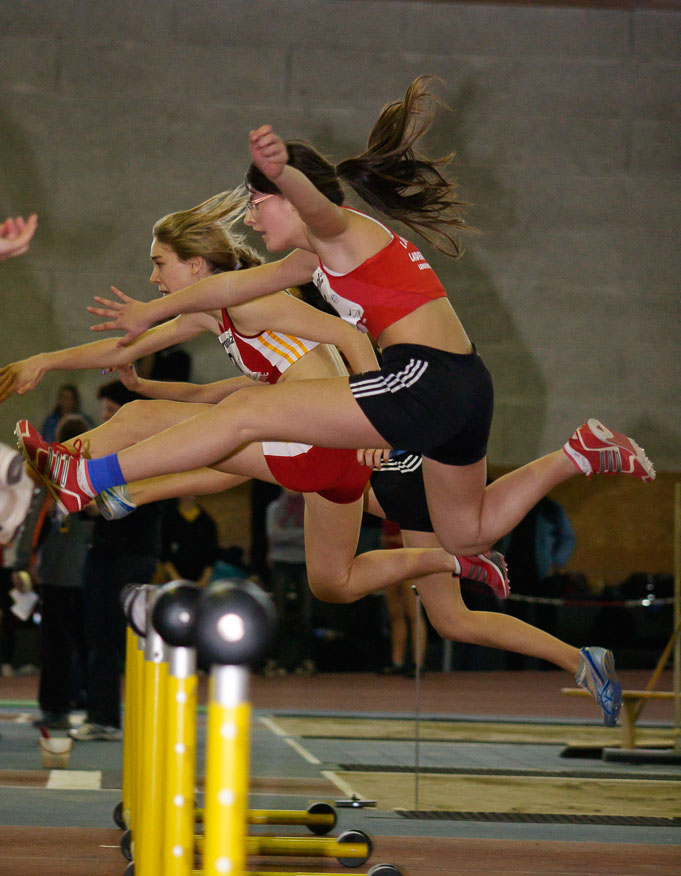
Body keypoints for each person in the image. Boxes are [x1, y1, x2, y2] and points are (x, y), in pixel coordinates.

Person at [3, 189, 619, 723]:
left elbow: (351, 335)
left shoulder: (251, 301)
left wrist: (381, 411)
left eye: (159, 265)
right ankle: (548, 634)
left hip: (334, 444)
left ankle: (78, 478)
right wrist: (52, 362)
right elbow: (142, 357)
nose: (154, 278)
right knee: (335, 581)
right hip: (327, 457)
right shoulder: (214, 317)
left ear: (197, 266)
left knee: (187, 435)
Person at [25, 75, 651, 565]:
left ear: (282, 198)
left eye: (258, 207)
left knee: (245, 412)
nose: (252, 222)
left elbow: (318, 210)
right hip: (464, 386)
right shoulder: (309, 261)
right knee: (466, 534)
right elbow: (234, 284)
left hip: (424, 378)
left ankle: (93, 476)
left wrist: (284, 172)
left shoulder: (341, 231)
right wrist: (149, 313)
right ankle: (578, 453)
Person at [71, 381, 162, 741]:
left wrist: (95, 506)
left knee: (131, 642)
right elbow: (87, 505)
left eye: (111, 412)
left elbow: (136, 504)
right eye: (104, 411)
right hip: (106, 553)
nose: (104, 419)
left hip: (132, 556)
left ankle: (135, 719)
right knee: (100, 639)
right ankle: (104, 716)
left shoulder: (152, 453)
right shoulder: (106, 457)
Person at [12, 414, 93, 728]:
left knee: (56, 645)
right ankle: (88, 700)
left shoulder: (50, 477)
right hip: (88, 574)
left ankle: (56, 707)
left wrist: (22, 564)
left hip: (58, 574)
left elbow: (33, 523)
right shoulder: (93, 474)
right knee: (89, 642)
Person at [265, 488, 316, 676]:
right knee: (278, 613)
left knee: (306, 614)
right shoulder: (275, 507)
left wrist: (285, 533)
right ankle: (275, 661)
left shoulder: (310, 507)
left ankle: (306, 660)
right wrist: (299, 534)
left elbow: (313, 533)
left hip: (304, 562)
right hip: (280, 563)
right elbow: (273, 535)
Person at [380, 519, 424, 676]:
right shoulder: (386, 511)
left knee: (414, 614)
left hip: (410, 565)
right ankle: (397, 661)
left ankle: (418, 663)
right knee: (395, 614)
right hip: (391, 565)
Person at [161, 494, 218, 587]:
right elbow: (164, 554)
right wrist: (177, 580)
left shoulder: (207, 521)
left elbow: (211, 555)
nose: (188, 495)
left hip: (200, 580)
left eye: (193, 492)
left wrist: (203, 582)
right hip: (175, 579)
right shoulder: (168, 519)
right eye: (185, 491)